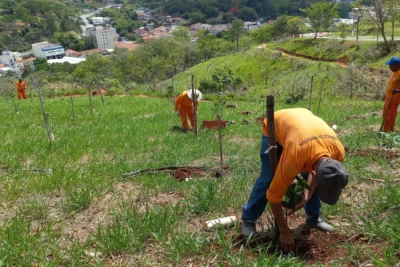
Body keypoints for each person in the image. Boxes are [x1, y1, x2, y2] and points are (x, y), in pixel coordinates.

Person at [241, 108, 348, 252]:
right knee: (268, 179)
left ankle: (313, 217)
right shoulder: (295, 157)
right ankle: (248, 219)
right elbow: (274, 196)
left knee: (321, 177)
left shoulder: (338, 153)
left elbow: (318, 173)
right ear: (315, 173)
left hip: (303, 128)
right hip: (276, 125)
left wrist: (306, 195)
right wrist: (284, 232)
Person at [382, 57, 400, 132]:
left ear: (396, 65)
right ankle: (385, 129)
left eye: (390, 65)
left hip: (394, 99)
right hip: (389, 97)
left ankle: (388, 131)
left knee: (390, 115)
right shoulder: (394, 72)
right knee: (385, 114)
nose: (389, 67)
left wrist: (397, 90)